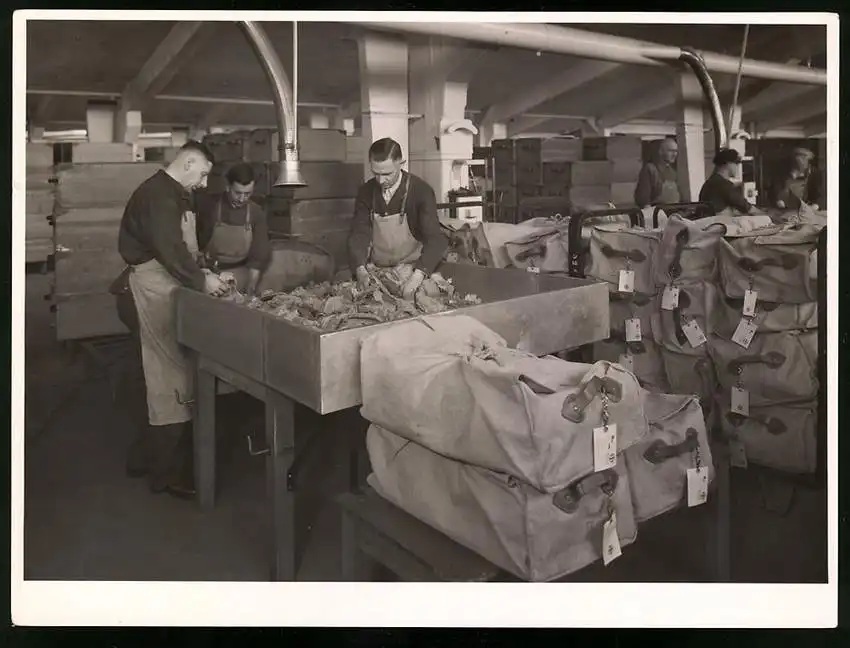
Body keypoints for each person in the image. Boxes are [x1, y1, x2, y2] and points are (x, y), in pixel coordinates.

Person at [117, 140, 229, 500]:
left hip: (168, 283)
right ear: (190, 162)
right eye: (204, 173)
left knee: (161, 372)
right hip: (154, 287)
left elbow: (183, 249)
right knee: (171, 375)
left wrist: (204, 268)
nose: (204, 182)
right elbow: (168, 249)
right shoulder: (159, 196)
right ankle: (165, 476)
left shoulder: (176, 194)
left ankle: (143, 459)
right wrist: (201, 281)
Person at [348, 137, 448, 298]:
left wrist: (417, 277)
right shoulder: (366, 192)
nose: (381, 181)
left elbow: (435, 239)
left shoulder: (421, 191)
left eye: (387, 174)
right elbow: (359, 233)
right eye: (376, 173)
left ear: (401, 163)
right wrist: (360, 268)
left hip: (413, 268)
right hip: (378, 268)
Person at [195, 162, 272, 296]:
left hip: (240, 272)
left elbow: (258, 255)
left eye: (248, 194)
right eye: (238, 193)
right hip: (210, 273)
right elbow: (195, 245)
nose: (242, 199)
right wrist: (204, 271)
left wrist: (251, 286)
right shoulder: (209, 207)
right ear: (227, 187)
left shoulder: (256, 213)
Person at [698, 148, 755, 215]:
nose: (738, 166)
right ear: (728, 163)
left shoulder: (709, 183)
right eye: (736, 163)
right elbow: (748, 208)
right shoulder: (724, 185)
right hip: (720, 223)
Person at [634, 136, 681, 208]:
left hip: (674, 212)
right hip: (657, 214)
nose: (674, 154)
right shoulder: (650, 169)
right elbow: (643, 200)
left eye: (676, 151)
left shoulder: (673, 172)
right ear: (661, 151)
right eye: (670, 151)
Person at [770, 147, 822, 212]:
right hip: (785, 210)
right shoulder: (782, 173)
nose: (802, 161)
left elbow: (819, 195)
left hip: (807, 210)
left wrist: (815, 206)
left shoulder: (814, 173)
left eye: (804, 159)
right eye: (798, 159)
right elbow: (776, 192)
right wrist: (779, 201)